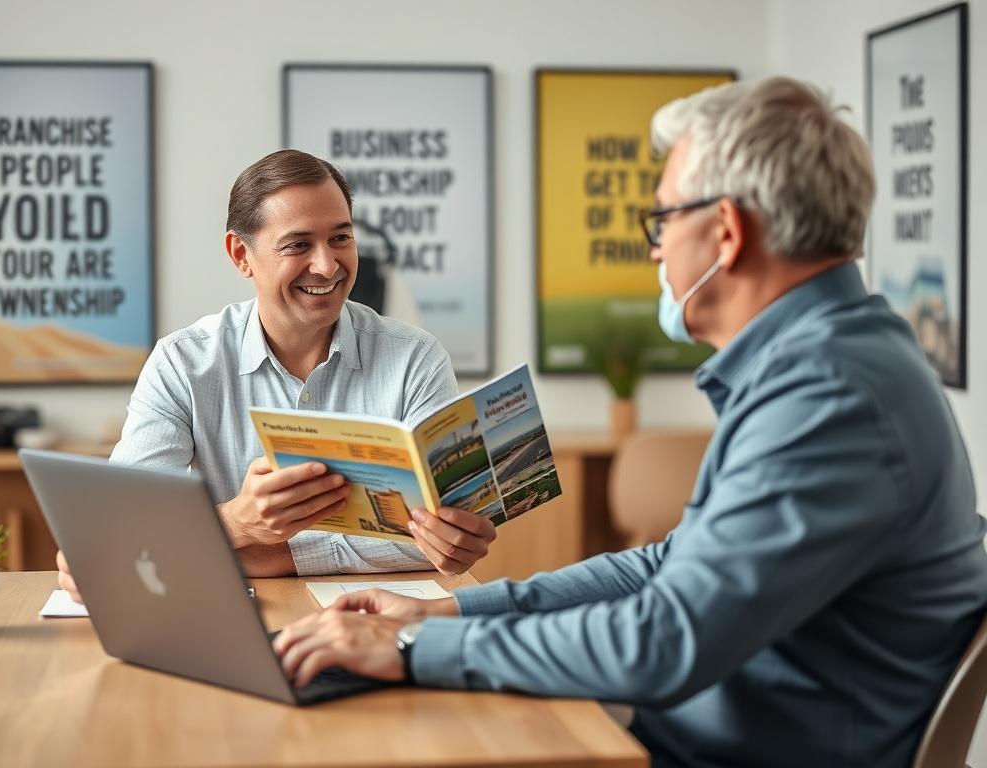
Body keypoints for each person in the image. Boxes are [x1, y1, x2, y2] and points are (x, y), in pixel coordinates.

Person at [271, 78, 987, 767]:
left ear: (727, 232)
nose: (656, 248)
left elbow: (662, 644)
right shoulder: (834, 359)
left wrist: (405, 653)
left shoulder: (827, 395)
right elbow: (671, 567)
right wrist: (444, 616)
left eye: (664, 220)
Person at [57, 150, 496, 602]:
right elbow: (123, 534)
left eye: (341, 237)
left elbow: (434, 545)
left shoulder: (415, 360)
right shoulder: (182, 363)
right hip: (229, 626)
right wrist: (237, 522)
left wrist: (263, 553)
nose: (327, 266)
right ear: (241, 255)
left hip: (380, 624)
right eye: (298, 245)